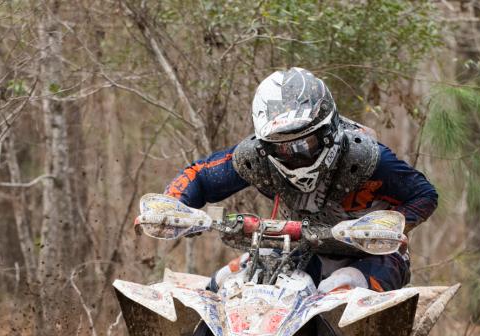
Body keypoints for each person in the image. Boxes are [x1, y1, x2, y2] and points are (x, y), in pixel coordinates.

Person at [164, 67, 438, 293]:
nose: (295, 155)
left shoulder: (364, 157)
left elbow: (424, 194)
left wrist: (389, 226)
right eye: (281, 147)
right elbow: (200, 175)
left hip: (374, 256)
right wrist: (170, 206)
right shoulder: (255, 157)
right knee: (226, 284)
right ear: (265, 144)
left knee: (338, 290)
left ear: (328, 129)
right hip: (299, 251)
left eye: (305, 143)